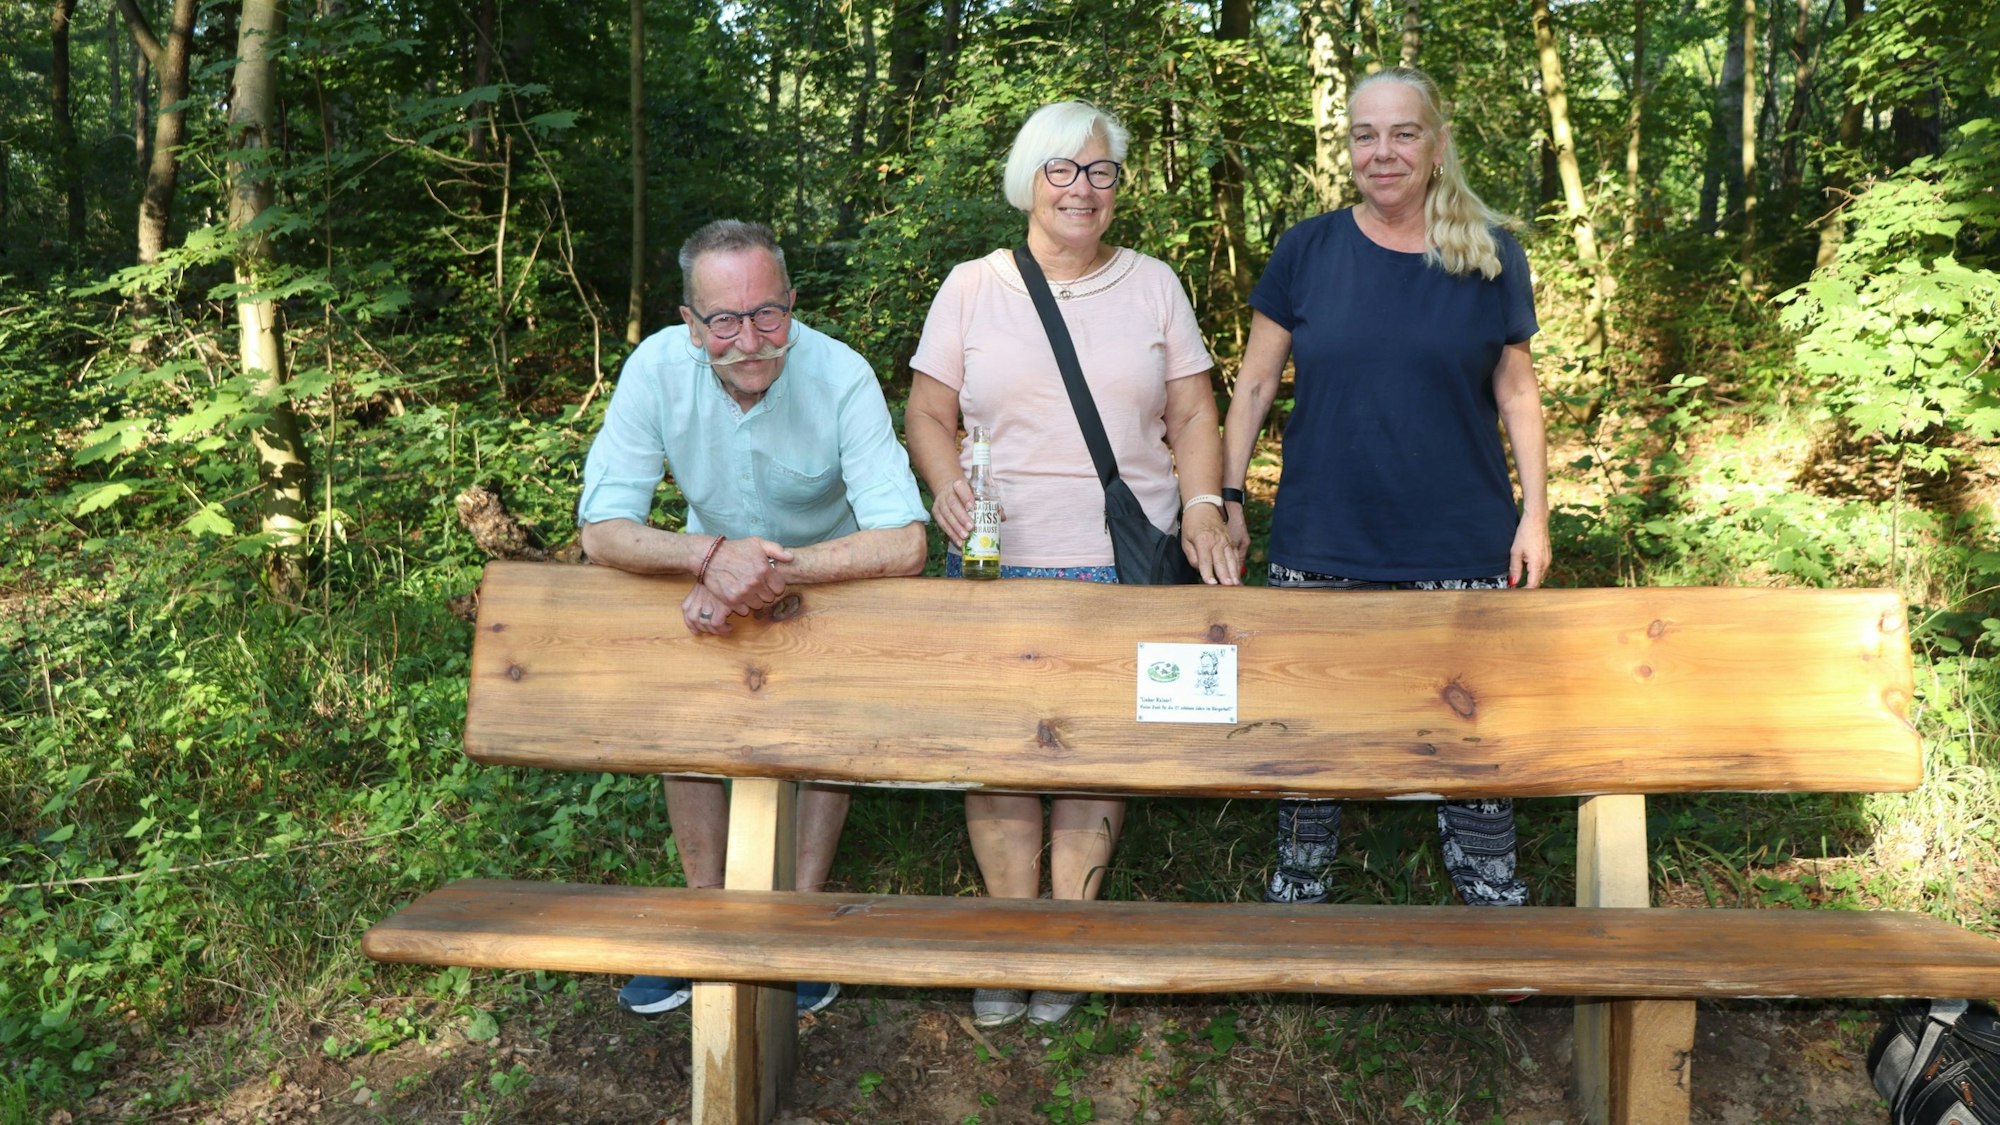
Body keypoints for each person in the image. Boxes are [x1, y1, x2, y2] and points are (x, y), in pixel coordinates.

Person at [905, 101, 1240, 1030]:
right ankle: (1012, 938)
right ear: (1029, 179)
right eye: (1063, 169)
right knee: (1001, 759)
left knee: (1094, 758)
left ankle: (1067, 939)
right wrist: (945, 482)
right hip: (999, 564)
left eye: (1100, 172)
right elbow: (928, 412)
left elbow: (1193, 413)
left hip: (1120, 563)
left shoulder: (1155, 284)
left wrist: (1204, 504)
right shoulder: (971, 286)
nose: (1082, 189)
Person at [1219, 67, 1550, 910]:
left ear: (1437, 145)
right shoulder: (1307, 249)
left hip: (1461, 544)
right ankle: (1300, 902)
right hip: (1323, 539)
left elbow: (1518, 393)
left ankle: (1492, 907)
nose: (1383, 151)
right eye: (1365, 135)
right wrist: (1227, 498)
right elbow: (1253, 385)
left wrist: (1536, 515)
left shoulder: (1490, 253)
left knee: (1469, 731)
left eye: (1403, 133)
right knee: (1310, 733)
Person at [578, 219, 928, 1016]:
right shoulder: (654, 370)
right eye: (725, 320)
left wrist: (765, 574)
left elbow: (905, 540)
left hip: (830, 578)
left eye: (769, 313)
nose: (750, 339)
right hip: (711, 577)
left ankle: (796, 923)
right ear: (689, 322)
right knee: (688, 702)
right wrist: (708, 557)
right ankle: (707, 917)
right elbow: (602, 529)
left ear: (793, 304)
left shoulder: (840, 375)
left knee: (825, 717)